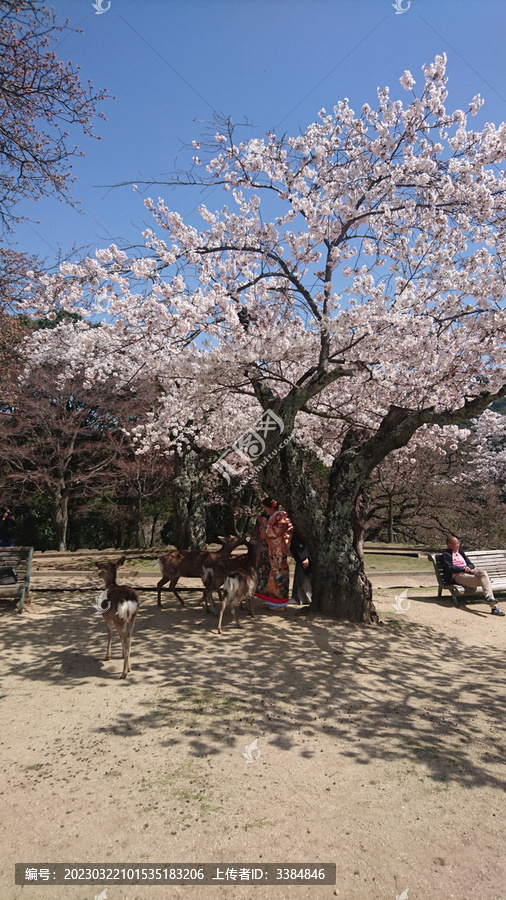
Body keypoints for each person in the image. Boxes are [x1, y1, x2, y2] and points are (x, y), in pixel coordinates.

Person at [442, 535, 504, 616]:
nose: (458, 545)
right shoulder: (446, 554)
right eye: (455, 543)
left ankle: (489, 598)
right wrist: (463, 569)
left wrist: (469, 568)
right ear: (449, 544)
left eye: (458, 543)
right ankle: (494, 607)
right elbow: (450, 568)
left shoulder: (461, 553)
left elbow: (471, 564)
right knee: (486, 581)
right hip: (458, 576)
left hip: (468, 573)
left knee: (483, 573)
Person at [255, 497, 293, 607]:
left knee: (277, 575)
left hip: (278, 552)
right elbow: (266, 533)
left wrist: (266, 526)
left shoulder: (282, 517)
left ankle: (278, 602)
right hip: (271, 551)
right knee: (269, 574)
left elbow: (278, 532)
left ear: (272, 507)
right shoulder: (273, 517)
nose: (265, 511)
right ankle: (272, 600)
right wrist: (263, 525)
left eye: (266, 508)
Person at [289, 530, 312, 605]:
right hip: (299, 559)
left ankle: (308, 598)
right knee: (299, 579)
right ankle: (299, 598)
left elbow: (302, 544)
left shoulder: (297, 532)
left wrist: (305, 557)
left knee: (305, 579)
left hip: (304, 558)